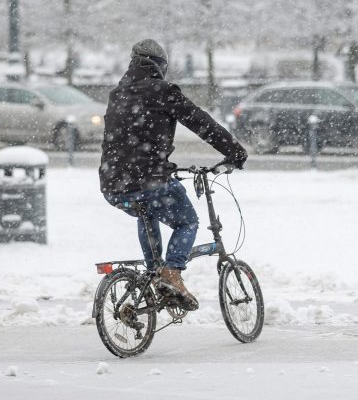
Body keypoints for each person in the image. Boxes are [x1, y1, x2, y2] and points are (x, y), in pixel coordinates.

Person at [99, 39, 247, 310]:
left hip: (113, 185)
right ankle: (172, 272)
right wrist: (234, 152)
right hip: (149, 180)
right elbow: (202, 123)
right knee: (187, 221)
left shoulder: (118, 93)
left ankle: (155, 276)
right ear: (160, 66)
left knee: (147, 211)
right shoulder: (161, 91)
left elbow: (121, 141)